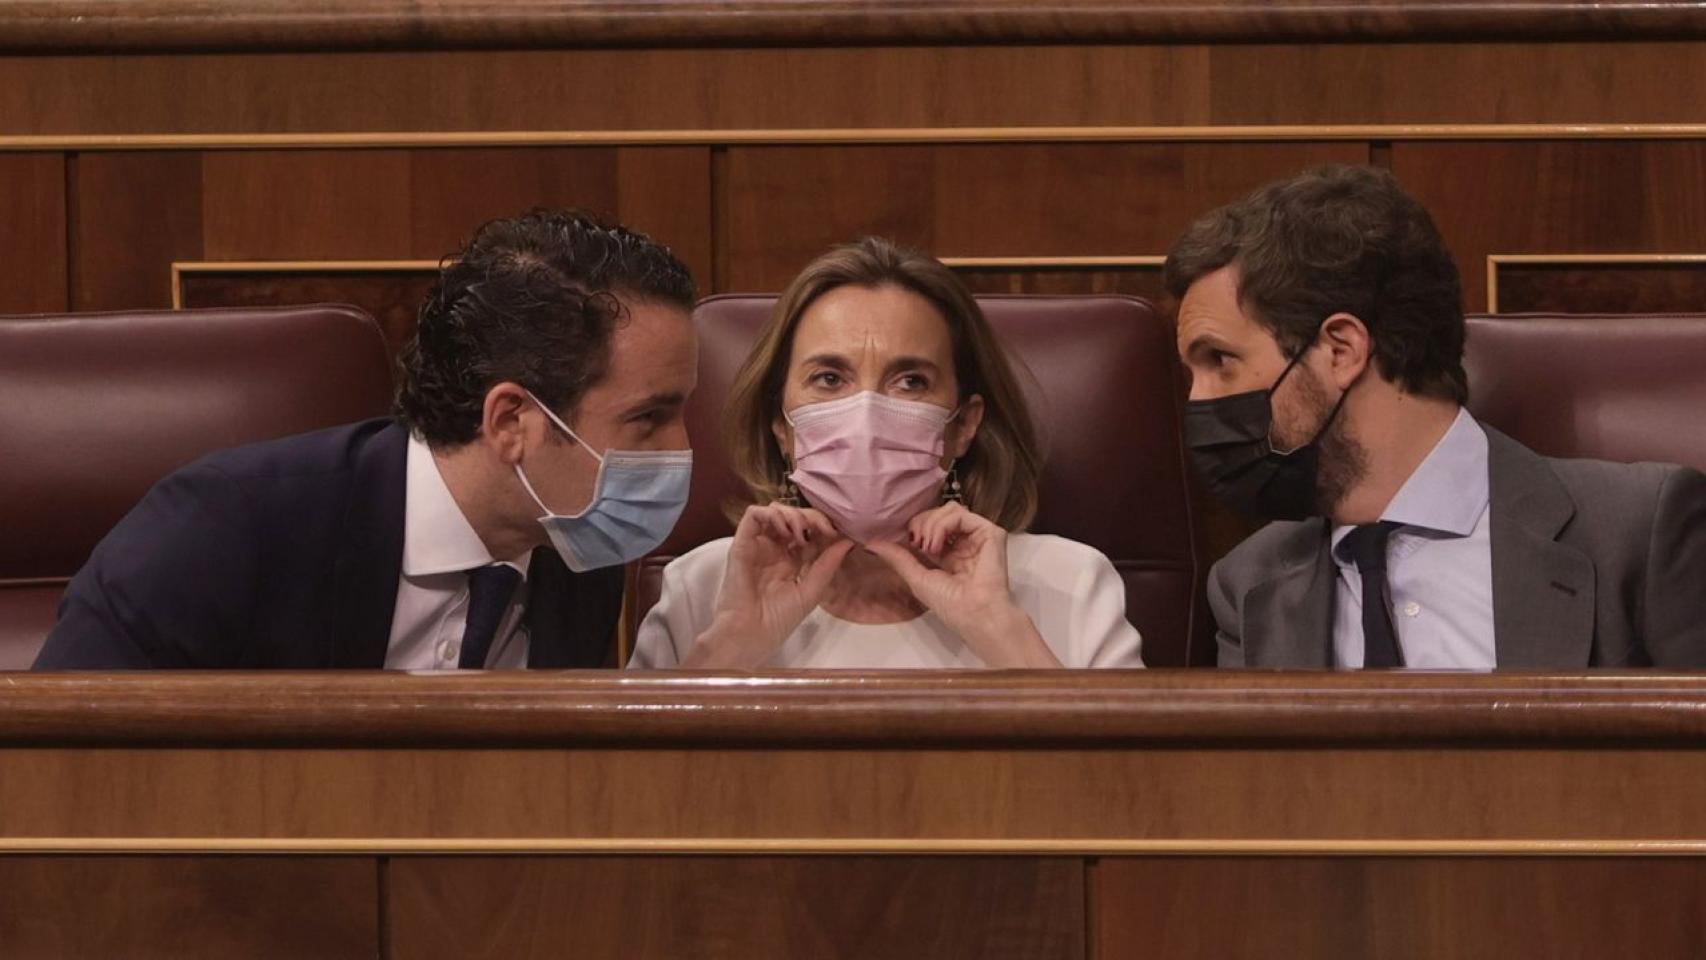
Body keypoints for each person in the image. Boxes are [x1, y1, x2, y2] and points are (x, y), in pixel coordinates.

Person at [34, 209, 698, 670]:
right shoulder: (225, 528)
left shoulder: (577, 557)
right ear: (509, 424)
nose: (683, 448)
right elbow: (59, 773)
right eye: (649, 418)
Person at [1167, 164, 1706, 669]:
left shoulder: (1640, 532)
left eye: (1220, 360)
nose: (1198, 400)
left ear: (1340, 350)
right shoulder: (1248, 584)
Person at [630, 237, 1142, 669]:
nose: (867, 414)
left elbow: (1134, 787)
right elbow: (629, 785)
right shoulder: (702, 588)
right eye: (829, 379)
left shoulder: (1072, 585)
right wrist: (730, 650)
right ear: (780, 429)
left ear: (963, 426)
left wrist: (1003, 635)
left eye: (911, 381)